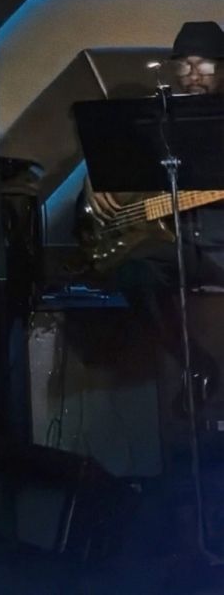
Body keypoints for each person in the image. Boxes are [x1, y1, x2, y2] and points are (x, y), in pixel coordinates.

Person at [81, 21, 224, 411]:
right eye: (184, 65)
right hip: (172, 246)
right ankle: (195, 366)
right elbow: (113, 163)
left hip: (217, 247)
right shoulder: (158, 120)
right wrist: (99, 180)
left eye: (205, 64)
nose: (194, 74)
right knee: (134, 273)